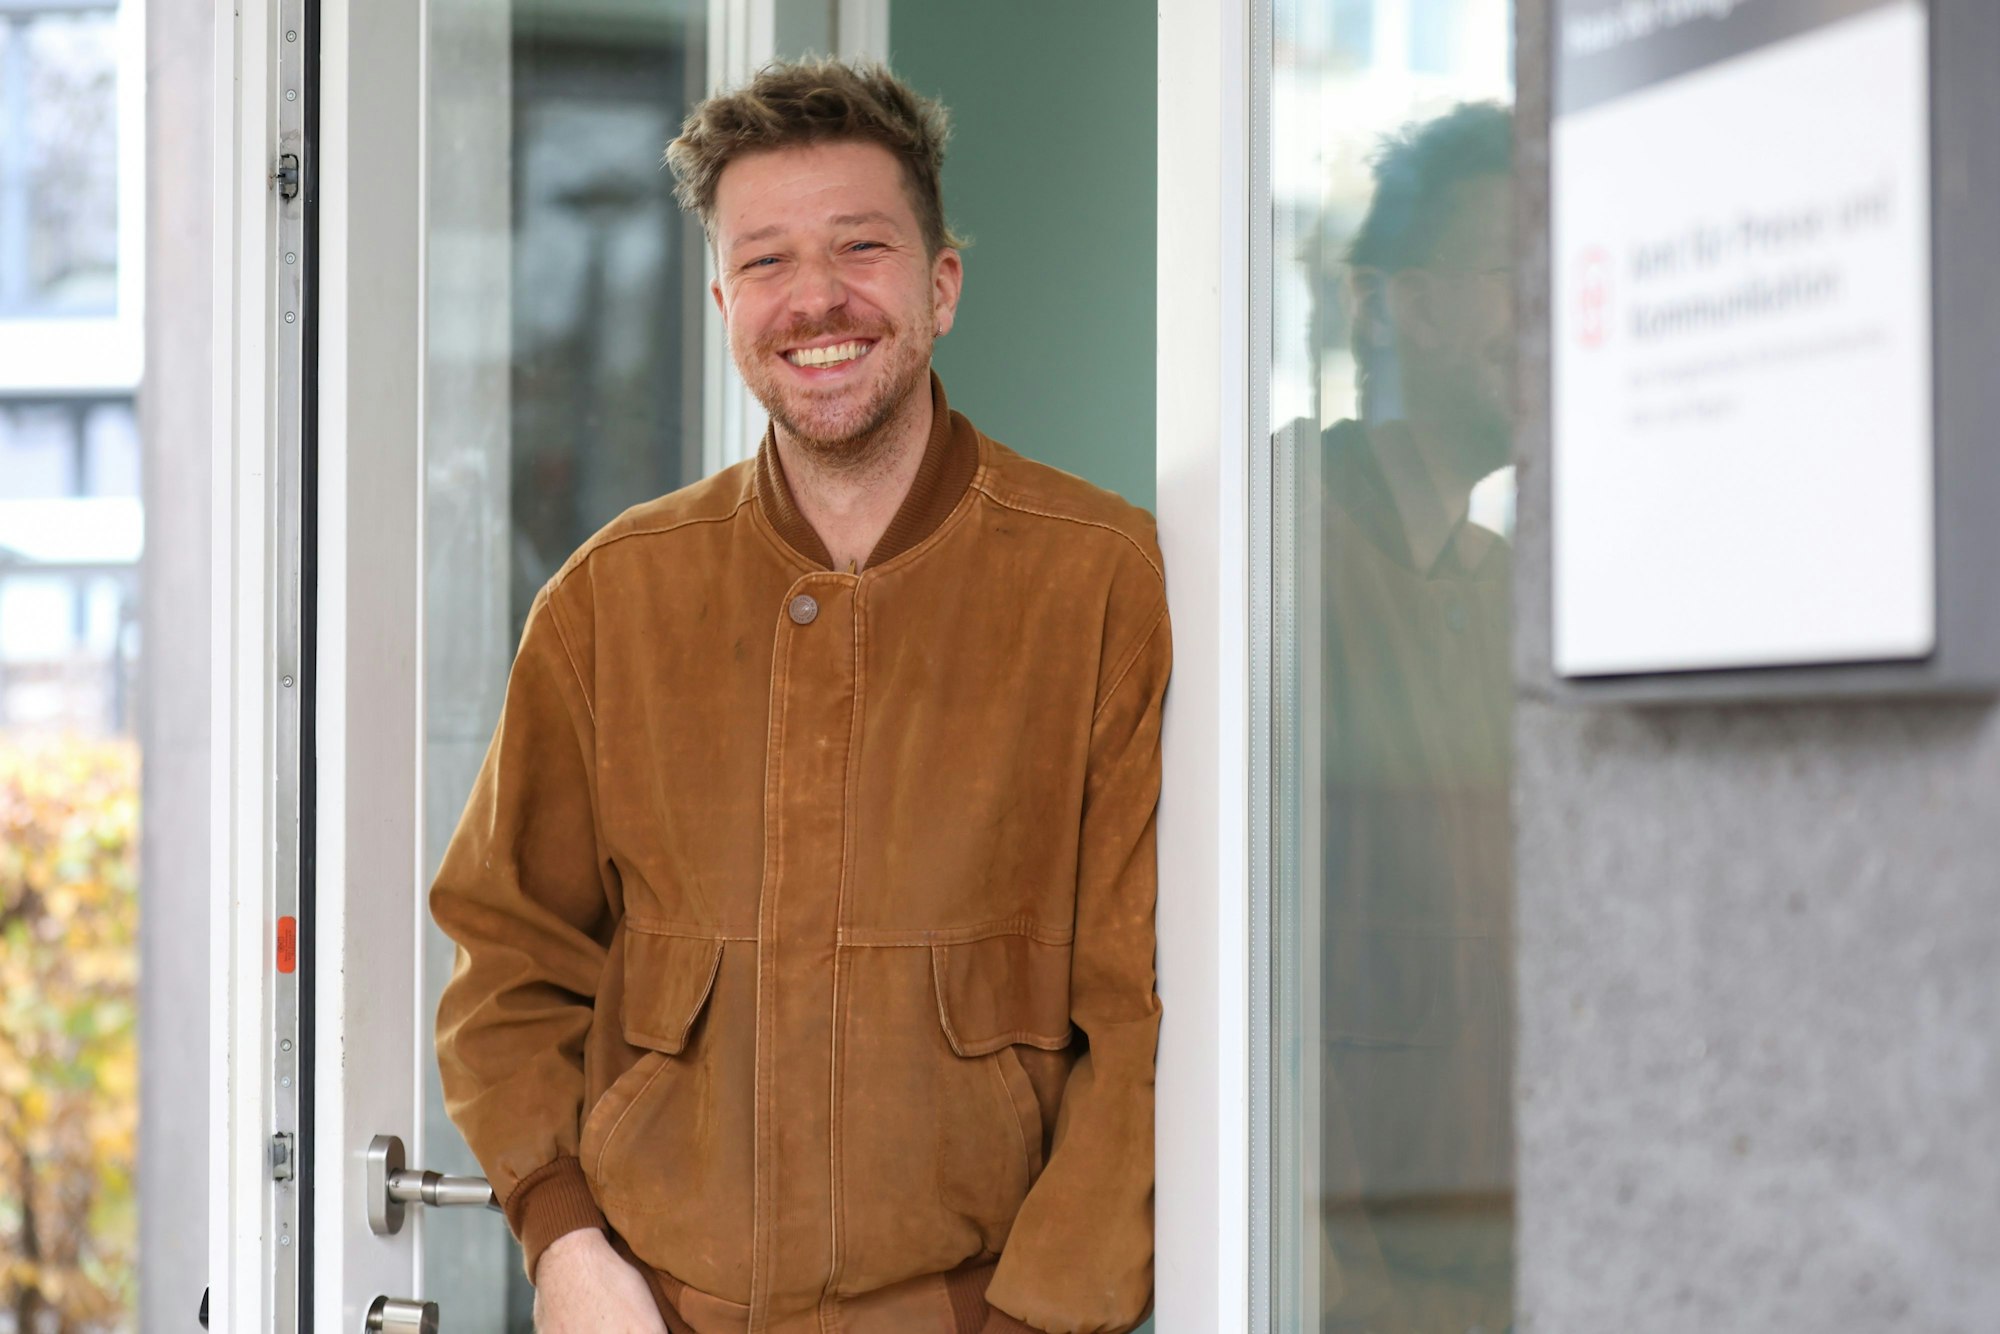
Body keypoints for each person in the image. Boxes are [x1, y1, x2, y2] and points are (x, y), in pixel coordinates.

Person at [430, 58, 1166, 1334]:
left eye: (861, 247)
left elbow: (1139, 1014)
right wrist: (562, 1243)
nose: (815, 297)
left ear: (940, 284)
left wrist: (1034, 1318)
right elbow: (507, 964)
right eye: (764, 261)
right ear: (722, 301)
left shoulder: (1098, 577)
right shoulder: (608, 599)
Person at [1309, 102, 1516, 1333]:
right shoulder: (1276, 553)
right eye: (1510, 271)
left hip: (1507, 1269)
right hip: (1352, 1291)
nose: (1546, 314)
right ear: (1397, 305)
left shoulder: (1500, 593)